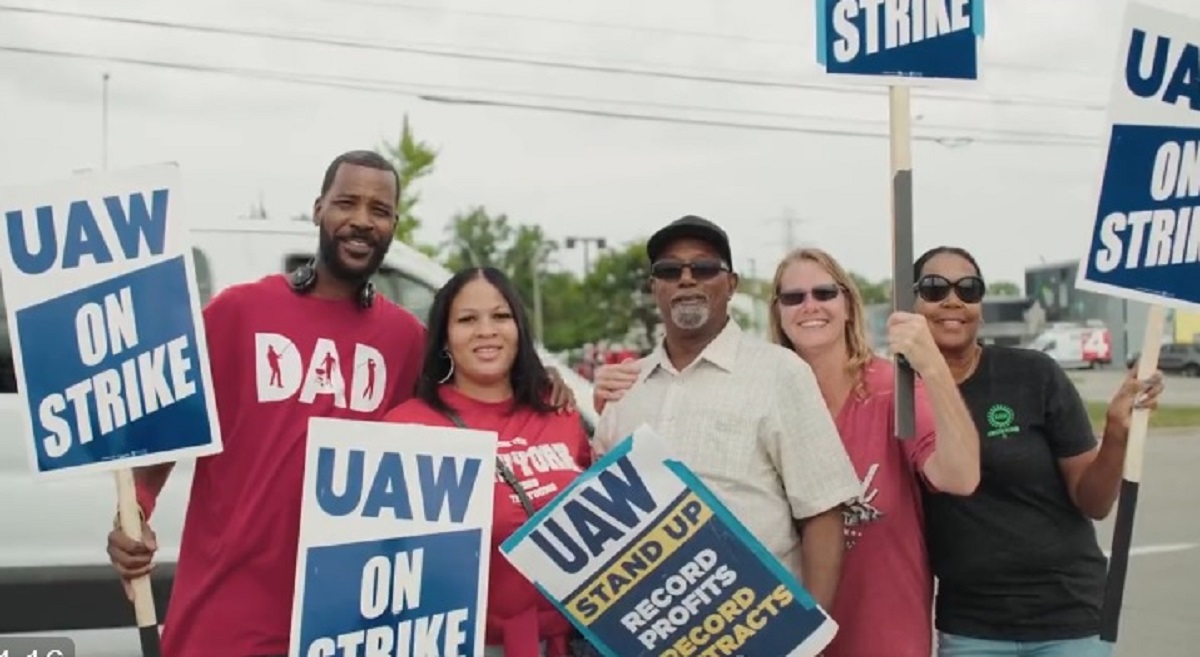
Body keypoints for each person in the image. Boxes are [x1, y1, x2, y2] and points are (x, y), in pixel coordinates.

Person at [104, 151, 576, 657]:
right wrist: (136, 513)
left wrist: (540, 379)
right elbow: (169, 427)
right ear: (317, 210)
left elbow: (480, 391)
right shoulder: (239, 312)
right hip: (229, 610)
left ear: (393, 224)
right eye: (346, 203)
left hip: (348, 624)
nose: (361, 220)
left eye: (379, 209)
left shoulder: (406, 340)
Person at [590, 215, 861, 609]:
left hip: (759, 632)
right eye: (670, 270)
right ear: (654, 288)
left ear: (731, 284)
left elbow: (822, 513)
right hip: (647, 632)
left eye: (703, 267)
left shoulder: (780, 373)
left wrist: (808, 636)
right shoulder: (625, 391)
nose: (686, 279)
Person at [912, 246, 1165, 657]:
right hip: (971, 628)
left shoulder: (1033, 374)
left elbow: (1094, 501)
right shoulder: (899, 395)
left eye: (969, 288)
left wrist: (1117, 432)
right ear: (912, 302)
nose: (952, 300)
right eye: (934, 288)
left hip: (1068, 617)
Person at [765, 247, 980, 657]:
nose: (810, 305)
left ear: (848, 305)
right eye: (793, 297)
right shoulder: (766, 401)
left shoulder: (890, 389)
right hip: (791, 642)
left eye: (825, 293)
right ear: (778, 313)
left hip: (886, 639)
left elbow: (961, 475)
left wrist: (931, 365)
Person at [382, 267, 592, 657]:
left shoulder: (559, 413)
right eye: (466, 319)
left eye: (501, 316)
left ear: (519, 329)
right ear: (444, 338)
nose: (486, 330)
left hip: (567, 644)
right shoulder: (406, 427)